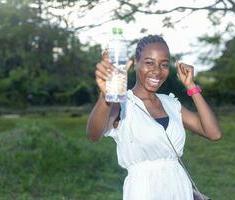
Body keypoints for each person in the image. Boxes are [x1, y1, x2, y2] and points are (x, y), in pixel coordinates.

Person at [86, 35, 222, 200]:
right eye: (149, 62)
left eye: (164, 64)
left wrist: (191, 86)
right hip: (144, 191)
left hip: (180, 189)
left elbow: (214, 133)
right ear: (136, 62)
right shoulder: (121, 104)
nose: (157, 71)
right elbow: (93, 135)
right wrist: (106, 97)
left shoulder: (171, 103)